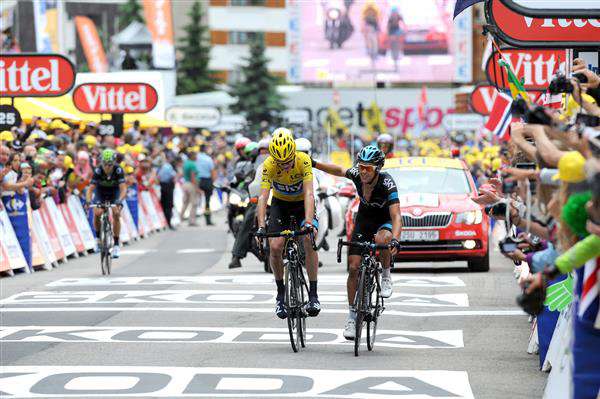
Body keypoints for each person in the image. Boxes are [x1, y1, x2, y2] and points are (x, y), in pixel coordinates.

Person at [312, 145, 402, 339]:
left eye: (368, 168)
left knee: (382, 239)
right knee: (353, 267)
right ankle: (352, 316)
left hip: (384, 220)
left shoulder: (387, 183)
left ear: (377, 169)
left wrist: (395, 239)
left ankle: (386, 274)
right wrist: (314, 163)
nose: (363, 172)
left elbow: (396, 216)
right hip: (364, 220)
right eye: (361, 167)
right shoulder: (357, 175)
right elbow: (338, 169)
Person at [256, 128, 321, 319]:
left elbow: (309, 193)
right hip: (280, 205)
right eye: (280, 163)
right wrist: (261, 226)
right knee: (275, 246)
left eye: (287, 162)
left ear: (294, 153)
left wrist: (309, 223)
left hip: (303, 204)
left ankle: (314, 294)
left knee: (309, 240)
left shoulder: (303, 160)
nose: (284, 166)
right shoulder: (269, 164)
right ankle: (280, 293)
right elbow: (263, 196)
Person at [85, 149, 127, 258]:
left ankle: (116, 245)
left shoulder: (118, 170)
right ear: (101, 163)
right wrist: (89, 201)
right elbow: (90, 189)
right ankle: (98, 239)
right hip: (101, 192)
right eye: (105, 164)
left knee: (116, 213)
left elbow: (123, 189)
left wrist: (120, 200)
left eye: (110, 164)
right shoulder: (98, 170)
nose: (107, 167)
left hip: (114, 192)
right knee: (97, 212)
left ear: (114, 163)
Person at [196, 143, 216, 226]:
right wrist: (213, 181)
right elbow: (212, 171)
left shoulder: (196, 158)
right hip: (207, 180)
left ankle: (194, 219)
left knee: (196, 200)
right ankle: (208, 219)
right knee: (207, 201)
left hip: (198, 180)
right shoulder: (208, 159)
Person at [158, 156, 179, 230]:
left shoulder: (162, 167)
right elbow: (173, 176)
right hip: (168, 186)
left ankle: (165, 222)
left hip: (163, 186)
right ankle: (168, 222)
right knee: (168, 205)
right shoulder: (169, 167)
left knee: (164, 204)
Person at [180, 150, 200, 226]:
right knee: (194, 203)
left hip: (185, 183)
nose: (196, 157)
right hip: (191, 184)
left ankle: (180, 217)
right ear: (192, 156)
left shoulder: (186, 163)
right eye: (195, 155)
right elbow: (193, 175)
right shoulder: (192, 164)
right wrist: (196, 186)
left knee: (185, 202)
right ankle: (192, 221)